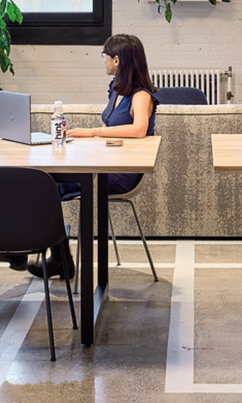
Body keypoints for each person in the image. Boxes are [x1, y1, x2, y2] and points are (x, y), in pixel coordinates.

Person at [25, 33, 159, 281]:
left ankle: (59, 259)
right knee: (47, 180)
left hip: (122, 172)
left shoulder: (141, 95)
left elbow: (139, 129)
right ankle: (59, 256)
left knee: (47, 183)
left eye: (105, 56)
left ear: (117, 60)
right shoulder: (116, 89)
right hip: (107, 162)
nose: (104, 61)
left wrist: (93, 132)